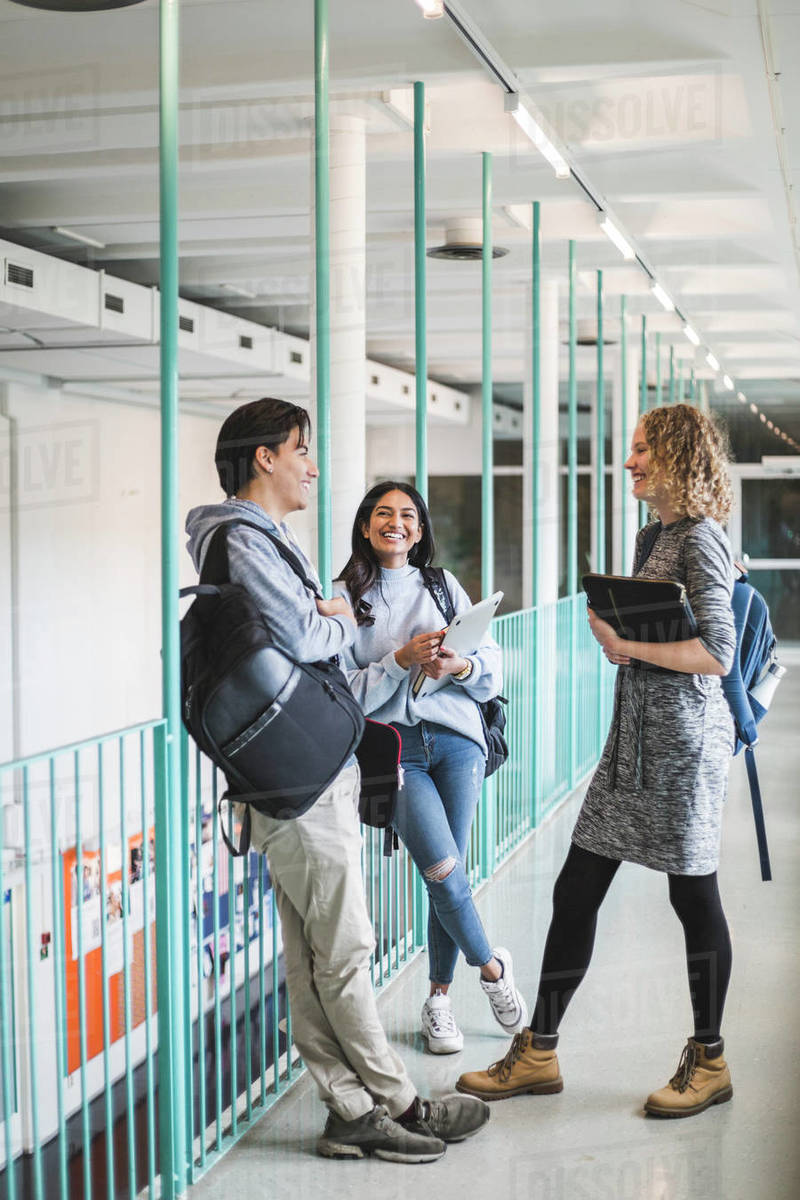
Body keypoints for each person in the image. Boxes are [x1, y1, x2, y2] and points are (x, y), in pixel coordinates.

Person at [185, 399, 489, 1163]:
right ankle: (401, 1103)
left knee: (310, 955)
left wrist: (325, 620)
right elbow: (312, 635)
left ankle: (349, 1107)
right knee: (345, 949)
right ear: (264, 458)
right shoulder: (244, 537)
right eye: (301, 452)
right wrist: (336, 621)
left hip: (284, 768)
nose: (311, 467)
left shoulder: (251, 538)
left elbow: (310, 632)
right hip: (298, 774)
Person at [457, 403, 738, 1119]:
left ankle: (710, 1061)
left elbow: (717, 653)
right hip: (634, 739)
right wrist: (619, 623)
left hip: (682, 746)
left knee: (691, 896)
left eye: (642, 449)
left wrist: (626, 645)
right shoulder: (657, 534)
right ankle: (539, 1051)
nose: (629, 461)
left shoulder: (702, 539)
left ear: (676, 454)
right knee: (578, 886)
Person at [333, 481, 526, 1055]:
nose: (397, 523)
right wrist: (398, 661)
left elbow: (492, 667)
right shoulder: (343, 598)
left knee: (452, 872)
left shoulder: (443, 586)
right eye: (384, 514)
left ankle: (438, 998)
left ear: (420, 528)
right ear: (366, 525)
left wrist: (458, 664)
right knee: (443, 871)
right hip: (395, 752)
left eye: (408, 515)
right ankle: (492, 968)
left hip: (459, 740)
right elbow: (342, 695)